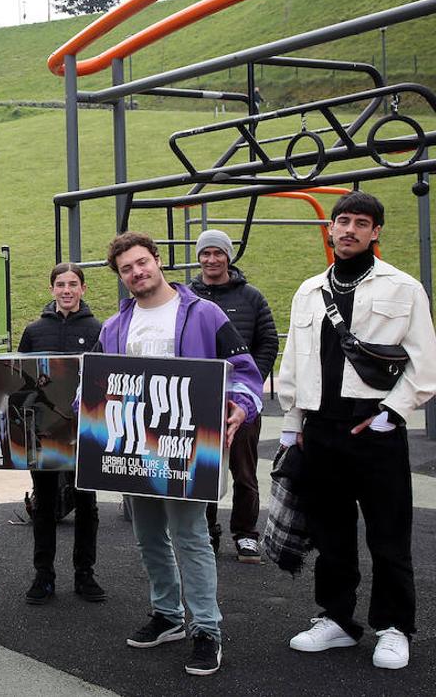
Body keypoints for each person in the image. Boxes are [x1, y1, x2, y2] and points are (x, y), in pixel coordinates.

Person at [277, 192, 436, 671]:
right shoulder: (308, 290)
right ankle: (337, 620)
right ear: (330, 228)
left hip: (375, 429)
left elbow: (424, 364)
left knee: (389, 535)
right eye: (342, 221)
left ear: (375, 232)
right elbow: (294, 364)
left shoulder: (404, 288)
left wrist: (392, 414)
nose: (348, 230)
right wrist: (291, 425)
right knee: (332, 534)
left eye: (360, 223)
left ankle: (394, 627)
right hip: (320, 429)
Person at [97, 231, 262, 677]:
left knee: (190, 535)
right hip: (133, 448)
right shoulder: (113, 327)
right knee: (148, 536)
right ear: (121, 277)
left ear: (157, 260)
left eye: (142, 262)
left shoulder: (204, 314)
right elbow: (92, 386)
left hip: (187, 447)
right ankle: (167, 614)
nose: (137, 272)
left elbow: (244, 372)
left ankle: (207, 629)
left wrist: (241, 406)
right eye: (126, 268)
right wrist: (82, 413)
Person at [190, 229, 279, 563]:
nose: (212, 260)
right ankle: (207, 531)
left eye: (218, 253)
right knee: (203, 468)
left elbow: (268, 340)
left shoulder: (250, 297)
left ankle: (245, 533)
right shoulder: (186, 296)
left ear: (229, 256)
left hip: (238, 401)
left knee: (244, 469)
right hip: (200, 397)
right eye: (205, 254)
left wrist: (250, 382)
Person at [18, 262, 104, 605]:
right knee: (44, 503)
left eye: (73, 284)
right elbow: (20, 377)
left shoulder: (101, 329)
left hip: (86, 432)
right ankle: (44, 575)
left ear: (83, 289)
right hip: (45, 432)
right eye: (60, 284)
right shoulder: (34, 330)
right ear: (52, 289)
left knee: (87, 503)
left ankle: (85, 574)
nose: (66, 290)